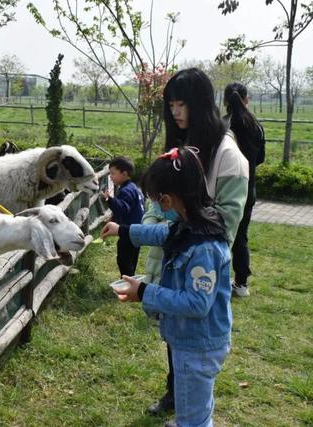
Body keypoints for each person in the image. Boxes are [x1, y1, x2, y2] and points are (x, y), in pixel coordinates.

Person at [101, 146, 232, 427]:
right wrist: (123, 230)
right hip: (194, 340)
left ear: (168, 201)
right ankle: (191, 417)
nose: (157, 209)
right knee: (196, 399)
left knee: (193, 409)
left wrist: (145, 292)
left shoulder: (203, 247)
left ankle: (190, 421)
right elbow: (161, 232)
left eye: (156, 202)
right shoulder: (192, 223)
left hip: (197, 345)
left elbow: (197, 304)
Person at [146, 68, 249, 417]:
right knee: (176, 337)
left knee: (193, 339)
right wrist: (152, 223)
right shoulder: (180, 144)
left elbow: (226, 222)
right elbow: (157, 200)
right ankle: (177, 394)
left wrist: (173, 227)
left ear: (200, 104)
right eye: (171, 105)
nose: (175, 112)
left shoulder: (227, 155)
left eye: (182, 104)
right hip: (172, 258)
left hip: (198, 264)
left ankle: (187, 406)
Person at [223, 82, 266, 297]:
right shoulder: (255, 126)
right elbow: (260, 158)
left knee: (218, 234)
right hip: (248, 188)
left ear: (225, 101)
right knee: (241, 236)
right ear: (246, 99)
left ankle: (215, 279)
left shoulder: (222, 125)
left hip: (222, 188)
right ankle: (241, 284)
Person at [101, 156, 145, 276]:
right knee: (132, 260)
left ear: (124, 173)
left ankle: (127, 284)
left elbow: (123, 208)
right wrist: (114, 218)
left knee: (124, 260)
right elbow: (130, 209)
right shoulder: (135, 189)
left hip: (129, 232)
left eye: (113, 173)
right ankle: (131, 282)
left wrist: (108, 199)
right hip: (138, 231)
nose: (110, 176)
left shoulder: (126, 191)